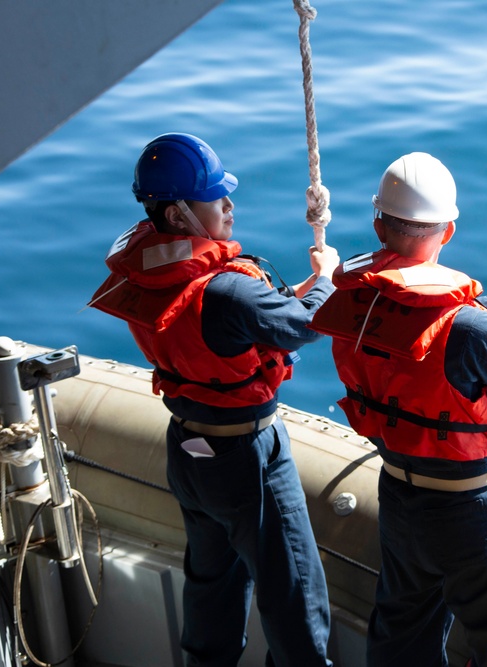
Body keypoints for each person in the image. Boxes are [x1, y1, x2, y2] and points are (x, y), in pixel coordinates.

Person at [309, 152, 487, 667]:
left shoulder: (352, 301)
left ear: (377, 223)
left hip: (402, 500)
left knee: (402, 639)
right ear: (447, 232)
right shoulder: (467, 329)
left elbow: (420, 325)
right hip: (472, 513)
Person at [89, 132, 339, 667]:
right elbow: (302, 325)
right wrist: (326, 278)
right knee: (294, 592)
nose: (229, 204)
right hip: (246, 459)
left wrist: (302, 290)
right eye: (214, 197)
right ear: (179, 215)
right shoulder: (225, 289)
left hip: (190, 449)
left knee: (212, 582)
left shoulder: (151, 270)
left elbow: (247, 320)